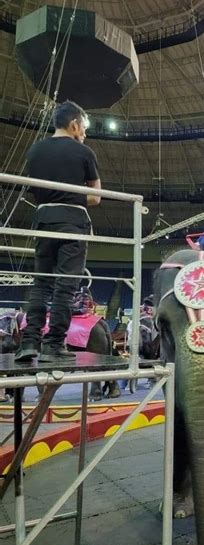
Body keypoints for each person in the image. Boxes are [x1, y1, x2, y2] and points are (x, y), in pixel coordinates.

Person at [15, 100, 101, 363]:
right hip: (72, 221)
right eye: (83, 128)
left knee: (41, 283)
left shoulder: (35, 150)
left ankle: (29, 342)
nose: (84, 134)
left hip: (43, 219)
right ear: (74, 124)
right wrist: (73, 198)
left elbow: (38, 190)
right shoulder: (83, 152)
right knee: (66, 286)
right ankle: (53, 344)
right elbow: (96, 197)